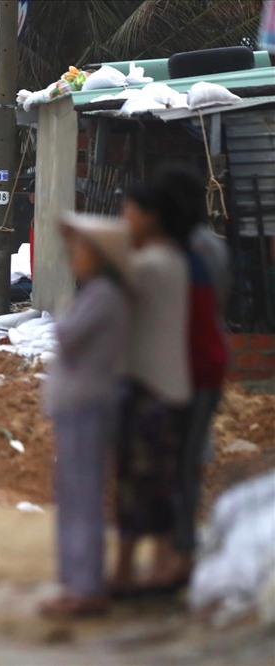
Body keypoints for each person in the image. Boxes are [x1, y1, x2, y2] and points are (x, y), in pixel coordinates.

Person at [40, 213, 133, 619]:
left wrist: (64, 309)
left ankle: (86, 584)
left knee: (82, 498)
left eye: (81, 250)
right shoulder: (98, 293)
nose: (74, 257)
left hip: (88, 405)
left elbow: (68, 335)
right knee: (74, 495)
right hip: (80, 406)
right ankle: (75, 580)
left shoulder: (104, 297)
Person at [148, 164, 230, 590]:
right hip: (207, 366)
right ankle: (181, 549)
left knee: (172, 466)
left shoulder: (175, 253)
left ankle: (179, 555)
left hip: (184, 371)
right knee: (185, 464)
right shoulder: (211, 248)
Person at [111, 180, 192, 597]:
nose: (125, 221)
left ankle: (136, 567)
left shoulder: (151, 265)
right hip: (164, 388)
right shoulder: (172, 260)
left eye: (130, 213)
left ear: (152, 218)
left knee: (140, 482)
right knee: (156, 481)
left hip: (149, 391)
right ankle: (154, 561)